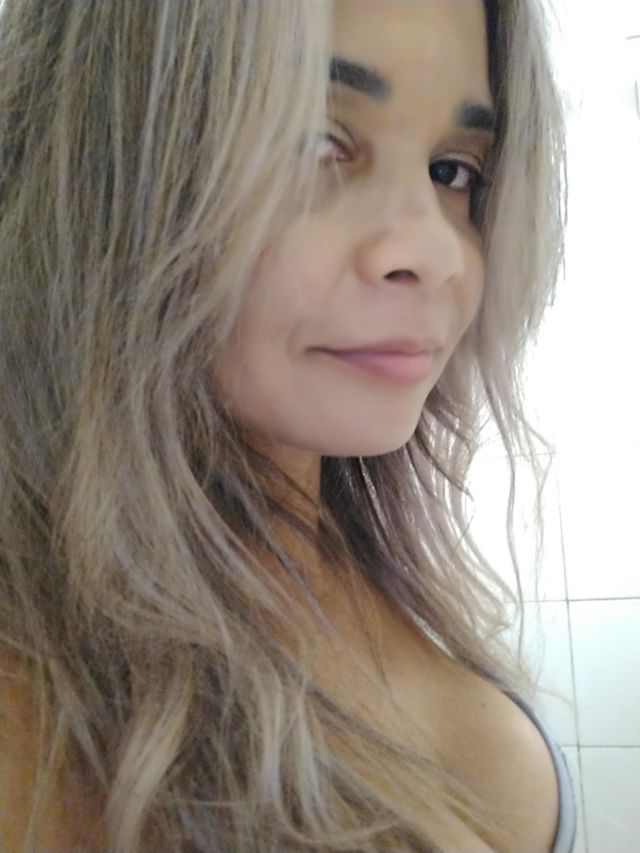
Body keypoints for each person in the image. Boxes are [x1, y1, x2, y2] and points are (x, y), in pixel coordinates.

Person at [0, 1, 570, 851]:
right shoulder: (35, 710)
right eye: (317, 142)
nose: (437, 252)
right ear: (109, 166)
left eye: (452, 171)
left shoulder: (375, 563)